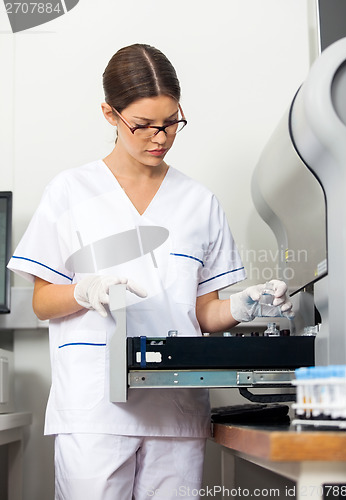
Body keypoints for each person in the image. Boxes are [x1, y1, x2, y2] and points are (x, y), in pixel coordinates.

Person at [8, 43, 293, 500]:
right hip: (94, 409)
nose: (159, 137)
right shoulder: (69, 192)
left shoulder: (199, 202)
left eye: (171, 123)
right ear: (109, 114)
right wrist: (85, 290)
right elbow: (42, 301)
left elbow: (203, 313)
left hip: (174, 412)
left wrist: (242, 305)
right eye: (142, 126)